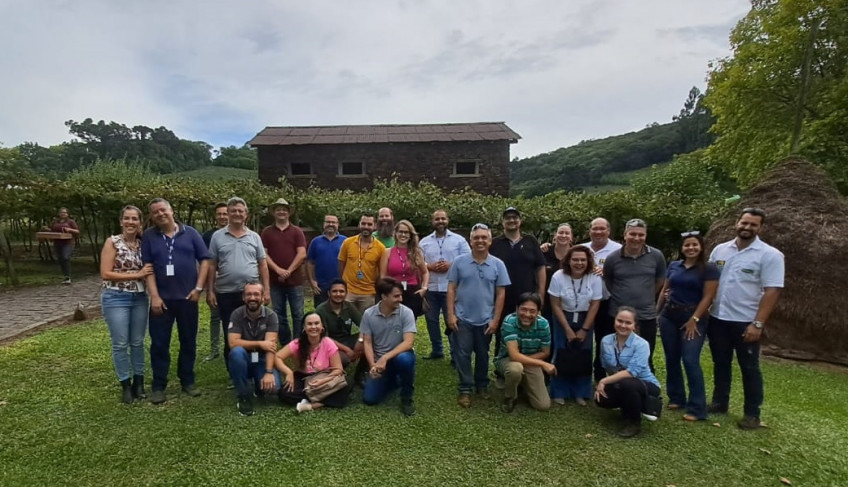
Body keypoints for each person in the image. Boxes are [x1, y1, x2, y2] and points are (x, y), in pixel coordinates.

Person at [708, 207, 784, 430]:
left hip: (746, 321)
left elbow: (773, 291)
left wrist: (758, 323)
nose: (747, 227)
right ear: (736, 223)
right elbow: (711, 282)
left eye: (753, 224)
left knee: (749, 367)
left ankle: (752, 414)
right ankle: (720, 402)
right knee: (720, 363)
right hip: (718, 317)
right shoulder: (720, 250)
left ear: (761, 227)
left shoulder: (770, 255)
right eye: (744, 223)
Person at [141, 198, 210, 404]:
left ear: (171, 211)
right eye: (155, 212)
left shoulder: (191, 233)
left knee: (188, 341)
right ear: (152, 216)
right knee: (159, 343)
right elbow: (148, 267)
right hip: (161, 301)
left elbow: (205, 260)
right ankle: (159, 385)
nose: (160, 214)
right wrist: (154, 295)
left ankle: (187, 381)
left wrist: (199, 288)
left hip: (188, 299)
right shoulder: (149, 236)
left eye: (163, 210)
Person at [656, 231, 718, 421]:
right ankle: (676, 397)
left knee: (690, 360)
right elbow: (665, 289)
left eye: (694, 245)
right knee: (671, 358)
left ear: (700, 247)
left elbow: (709, 297)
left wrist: (695, 319)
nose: (690, 248)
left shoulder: (709, 268)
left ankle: (697, 408)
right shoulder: (674, 265)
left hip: (693, 317)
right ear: (682, 248)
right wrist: (656, 312)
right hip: (669, 315)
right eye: (687, 245)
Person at [447, 223, 510, 408]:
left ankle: (482, 385)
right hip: (462, 318)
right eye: (476, 238)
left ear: (490, 241)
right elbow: (451, 289)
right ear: (470, 241)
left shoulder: (498, 264)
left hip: (485, 319)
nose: (480, 241)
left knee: (483, 354)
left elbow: (501, 293)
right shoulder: (459, 262)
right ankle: (465, 389)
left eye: (484, 237)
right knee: (463, 354)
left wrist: (496, 319)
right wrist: (450, 315)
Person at [99, 205, 153, 403]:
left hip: (139, 297)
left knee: (137, 342)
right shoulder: (112, 242)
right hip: (116, 297)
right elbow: (105, 273)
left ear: (140, 222)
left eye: (135, 219)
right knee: (120, 343)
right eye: (127, 218)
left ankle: (139, 382)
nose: (131, 222)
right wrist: (137, 274)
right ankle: (125, 384)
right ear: (121, 221)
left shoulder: (143, 244)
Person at [208, 197, 270, 366]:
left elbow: (263, 264)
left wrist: (267, 290)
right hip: (226, 292)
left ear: (246, 215)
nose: (237, 214)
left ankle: (254, 366)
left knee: (254, 330)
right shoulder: (217, 237)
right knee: (230, 330)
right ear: (227, 213)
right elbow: (212, 265)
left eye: (240, 211)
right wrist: (210, 291)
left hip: (252, 294)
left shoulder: (255, 237)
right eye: (233, 210)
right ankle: (234, 370)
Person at [602, 218, 666, 372]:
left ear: (645, 236)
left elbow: (659, 281)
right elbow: (608, 281)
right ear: (625, 235)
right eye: (632, 234)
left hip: (646, 315)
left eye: (641, 235)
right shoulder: (612, 258)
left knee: (646, 355)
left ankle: (647, 391)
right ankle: (615, 387)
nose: (636, 238)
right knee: (616, 355)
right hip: (618, 316)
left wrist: (644, 295)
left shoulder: (657, 256)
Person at [547, 245, 602, 406]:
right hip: (563, 316)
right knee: (561, 351)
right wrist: (567, 329)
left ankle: (581, 392)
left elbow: (595, 304)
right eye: (575, 259)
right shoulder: (558, 276)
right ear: (568, 261)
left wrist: (584, 329)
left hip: (586, 317)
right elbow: (555, 304)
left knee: (584, 353)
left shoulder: (594, 277)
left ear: (588, 261)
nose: (579, 263)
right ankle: (559, 391)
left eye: (583, 260)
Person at [595, 306, 662, 438]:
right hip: (622, 382)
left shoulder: (642, 344)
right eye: (620, 321)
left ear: (635, 326)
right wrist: (611, 386)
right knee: (601, 399)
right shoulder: (606, 341)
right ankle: (629, 406)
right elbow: (606, 366)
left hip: (646, 385)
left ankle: (634, 422)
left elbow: (632, 373)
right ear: (614, 321)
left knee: (628, 383)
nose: (623, 325)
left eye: (628, 322)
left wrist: (603, 381)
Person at [489, 207, 546, 359]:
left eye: (515, 217)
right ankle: (502, 368)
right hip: (502, 298)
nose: (511, 220)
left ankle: (527, 368)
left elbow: (540, 268)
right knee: (503, 334)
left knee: (528, 334)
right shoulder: (494, 243)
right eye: (507, 218)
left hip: (528, 298)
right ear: (502, 222)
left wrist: (540, 298)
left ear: (520, 221)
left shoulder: (531, 241)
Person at [361, 277, 417, 416]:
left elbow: (408, 342)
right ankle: (393, 380)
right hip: (380, 363)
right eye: (396, 296)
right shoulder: (369, 314)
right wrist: (372, 365)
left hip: (398, 356)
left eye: (400, 295)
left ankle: (406, 397)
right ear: (384, 296)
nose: (401, 299)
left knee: (405, 360)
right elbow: (367, 342)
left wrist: (385, 357)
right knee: (369, 399)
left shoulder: (406, 312)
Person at [419, 209, 471, 361]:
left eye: (443, 219)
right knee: (431, 320)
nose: (440, 221)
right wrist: (429, 266)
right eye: (437, 219)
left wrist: (451, 265)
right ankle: (437, 350)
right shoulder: (424, 242)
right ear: (432, 221)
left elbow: (468, 259)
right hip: (432, 288)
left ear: (448, 220)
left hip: (452, 289)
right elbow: (419, 262)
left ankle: (455, 354)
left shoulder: (459, 240)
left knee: (453, 321)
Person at [276, 313, 350, 412]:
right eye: (310, 324)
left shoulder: (328, 342)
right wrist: (288, 372)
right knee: (284, 393)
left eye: (316, 323)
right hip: (303, 378)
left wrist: (322, 381)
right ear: (304, 328)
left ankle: (310, 405)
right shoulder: (297, 343)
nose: (313, 327)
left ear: (322, 326)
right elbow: (277, 357)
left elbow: (338, 369)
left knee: (346, 385)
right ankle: (321, 397)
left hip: (324, 377)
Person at [227, 282, 281, 416]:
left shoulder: (271, 316)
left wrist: (269, 372)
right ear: (243, 297)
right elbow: (233, 343)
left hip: (262, 359)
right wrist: (260, 344)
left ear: (263, 297)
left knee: (274, 388)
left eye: (256, 294)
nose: (252, 297)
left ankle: (259, 386)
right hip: (244, 358)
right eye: (249, 294)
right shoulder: (236, 314)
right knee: (236, 352)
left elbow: (271, 347)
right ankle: (243, 395)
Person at [496, 293, 555, 412]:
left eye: (532, 311)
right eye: (523, 309)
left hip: (530, 361)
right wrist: (543, 364)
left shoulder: (544, 324)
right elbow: (513, 355)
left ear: (538, 312)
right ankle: (510, 397)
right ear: (517, 309)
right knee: (516, 369)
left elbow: (545, 352)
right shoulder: (509, 321)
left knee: (543, 405)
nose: (527, 314)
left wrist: (527, 361)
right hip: (508, 360)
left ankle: (522, 385)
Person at [582, 217, 623, 383]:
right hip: (583, 303)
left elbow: (623, 276)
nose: (598, 232)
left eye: (602, 229)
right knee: (582, 339)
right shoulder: (581, 248)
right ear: (589, 231)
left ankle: (600, 377)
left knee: (603, 341)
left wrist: (607, 273)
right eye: (594, 229)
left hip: (607, 303)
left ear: (609, 231)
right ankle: (580, 374)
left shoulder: (618, 250)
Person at [261, 197, 307, 343]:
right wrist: (278, 270)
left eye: (284, 210)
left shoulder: (297, 231)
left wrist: (288, 271)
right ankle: (286, 342)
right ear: (274, 213)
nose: (281, 212)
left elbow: (302, 254)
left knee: (298, 314)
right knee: (279, 314)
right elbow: (263, 254)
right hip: (275, 280)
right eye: (278, 209)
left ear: (289, 213)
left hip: (295, 281)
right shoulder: (267, 232)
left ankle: (299, 342)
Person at [380, 219, 429, 317]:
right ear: (396, 233)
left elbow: (425, 272)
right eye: (400, 232)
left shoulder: (416, 252)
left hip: (412, 292)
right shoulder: (387, 252)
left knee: (409, 323)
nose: (403, 235)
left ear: (410, 235)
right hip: (393, 291)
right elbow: (383, 276)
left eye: (406, 232)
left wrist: (424, 288)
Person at [338, 214, 386, 314]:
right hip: (348, 290)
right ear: (359, 224)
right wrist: (343, 284)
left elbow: (382, 273)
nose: (366, 226)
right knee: (344, 322)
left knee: (366, 324)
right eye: (363, 223)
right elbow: (341, 264)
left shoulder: (381, 248)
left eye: (369, 224)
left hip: (368, 293)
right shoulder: (348, 242)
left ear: (375, 226)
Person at [314, 279, 363, 368]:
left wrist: (359, 343)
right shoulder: (320, 310)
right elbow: (324, 338)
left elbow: (365, 326)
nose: (338, 294)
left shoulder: (349, 306)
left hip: (347, 340)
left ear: (346, 293)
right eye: (335, 291)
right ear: (329, 293)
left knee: (371, 342)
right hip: (329, 344)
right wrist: (347, 350)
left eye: (341, 291)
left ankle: (361, 374)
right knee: (343, 359)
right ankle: (336, 374)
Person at [202, 202, 228, 361]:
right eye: (219, 214)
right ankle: (214, 349)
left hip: (230, 282)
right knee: (215, 317)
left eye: (225, 213)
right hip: (214, 282)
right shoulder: (207, 236)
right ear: (215, 216)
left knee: (231, 318)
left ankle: (231, 346)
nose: (222, 216)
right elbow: (205, 260)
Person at [306, 214, 346, 307]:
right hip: (320, 286)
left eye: (333, 222)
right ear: (324, 224)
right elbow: (310, 263)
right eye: (328, 222)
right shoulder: (315, 241)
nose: (331, 224)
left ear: (338, 224)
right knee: (320, 313)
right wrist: (312, 281)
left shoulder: (345, 241)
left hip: (340, 286)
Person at [541, 223, 573, 321]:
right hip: (547, 303)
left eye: (567, 233)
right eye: (561, 233)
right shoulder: (544, 252)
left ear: (571, 237)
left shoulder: (576, 254)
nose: (563, 235)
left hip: (569, 305)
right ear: (555, 235)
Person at [50, 207, 80, 284]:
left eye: (64, 212)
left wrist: (70, 230)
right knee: (60, 259)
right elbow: (51, 230)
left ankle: (68, 276)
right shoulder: (55, 222)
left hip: (68, 243)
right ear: (59, 213)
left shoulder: (71, 222)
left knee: (65, 257)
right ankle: (65, 276)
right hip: (57, 243)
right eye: (61, 212)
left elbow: (77, 231)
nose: (63, 214)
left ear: (67, 214)